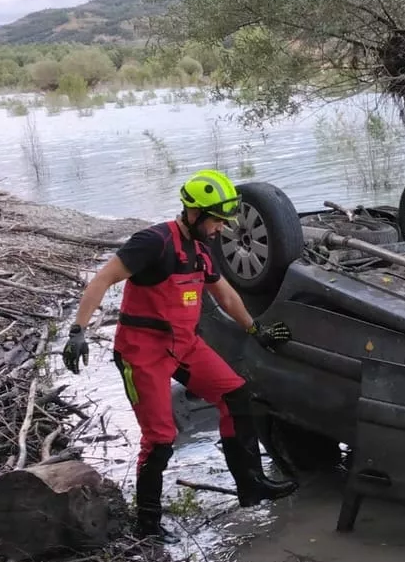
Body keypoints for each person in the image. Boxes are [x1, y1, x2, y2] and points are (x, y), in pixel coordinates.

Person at [62, 169, 296, 541]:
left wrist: (256, 329)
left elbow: (226, 296)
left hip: (185, 346)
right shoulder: (152, 243)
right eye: (218, 221)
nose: (222, 229)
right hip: (143, 354)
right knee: (159, 439)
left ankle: (251, 487)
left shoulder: (201, 252)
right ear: (195, 214)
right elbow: (103, 278)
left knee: (235, 393)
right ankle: (149, 527)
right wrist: (78, 331)